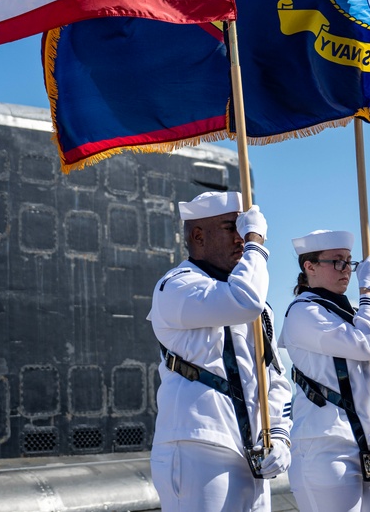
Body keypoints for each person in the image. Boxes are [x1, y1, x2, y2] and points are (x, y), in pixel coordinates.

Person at [149, 191, 292, 512]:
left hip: (252, 451)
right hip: (198, 446)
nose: (241, 238)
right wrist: (256, 241)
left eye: (245, 229)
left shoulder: (258, 308)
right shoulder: (177, 286)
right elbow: (243, 301)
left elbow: (276, 381)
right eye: (232, 228)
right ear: (198, 235)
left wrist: (280, 435)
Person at [280, 230, 370, 512]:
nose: (347, 269)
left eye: (349, 261)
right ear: (309, 266)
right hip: (326, 447)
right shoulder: (303, 312)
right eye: (337, 261)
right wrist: (369, 293)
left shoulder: (356, 317)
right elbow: (366, 346)